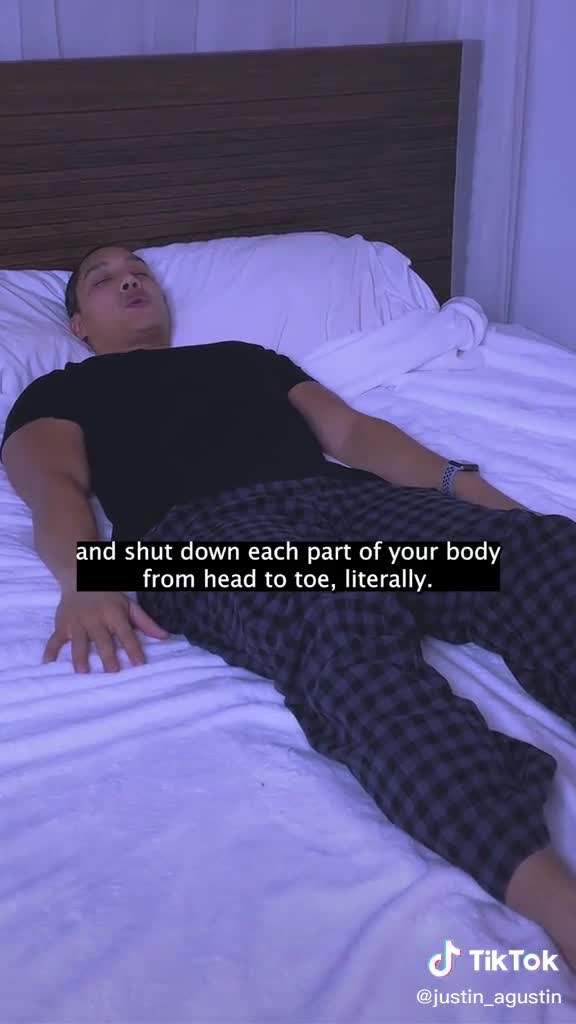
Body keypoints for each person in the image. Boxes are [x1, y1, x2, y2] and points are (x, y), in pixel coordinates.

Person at [2, 245, 576, 969]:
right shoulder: (59, 390)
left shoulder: (245, 358)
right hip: (200, 536)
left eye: (140, 271)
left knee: (541, 556)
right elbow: (53, 487)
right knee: (336, 616)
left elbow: (353, 434)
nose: (130, 280)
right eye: (103, 278)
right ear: (79, 324)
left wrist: (465, 487)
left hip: (348, 508)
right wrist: (85, 581)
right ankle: (556, 904)